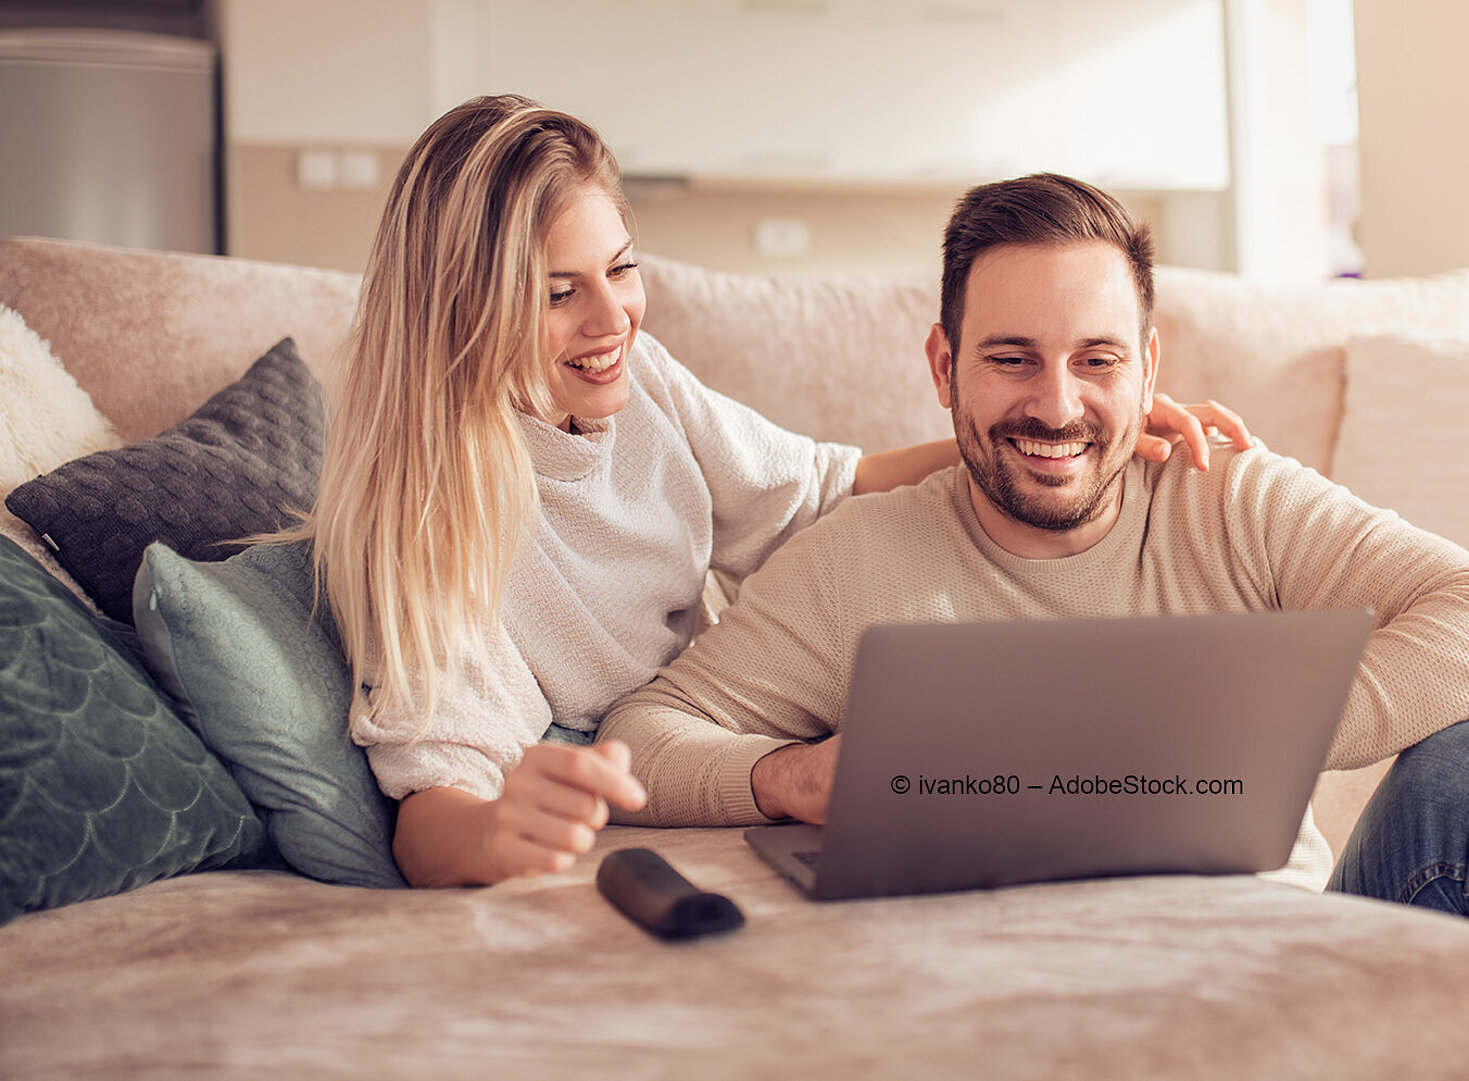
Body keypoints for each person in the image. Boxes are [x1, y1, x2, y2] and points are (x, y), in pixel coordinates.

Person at [598, 173, 1469, 1079]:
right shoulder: (860, 558)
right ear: (944, 369)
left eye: (1097, 359)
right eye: (1010, 358)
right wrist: (790, 776)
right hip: (1016, 1019)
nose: (1057, 403)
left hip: (1284, 979)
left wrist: (1228, 739)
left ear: (1148, 369)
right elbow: (644, 738)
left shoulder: (1227, 496)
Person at [297, 97, 1247, 890]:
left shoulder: (644, 384)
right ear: (464, 302)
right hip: (634, 797)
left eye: (622, 269)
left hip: (716, 736)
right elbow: (431, 812)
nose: (611, 318)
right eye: (558, 294)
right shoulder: (430, 509)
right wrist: (499, 829)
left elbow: (826, 488)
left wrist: (1075, 430)